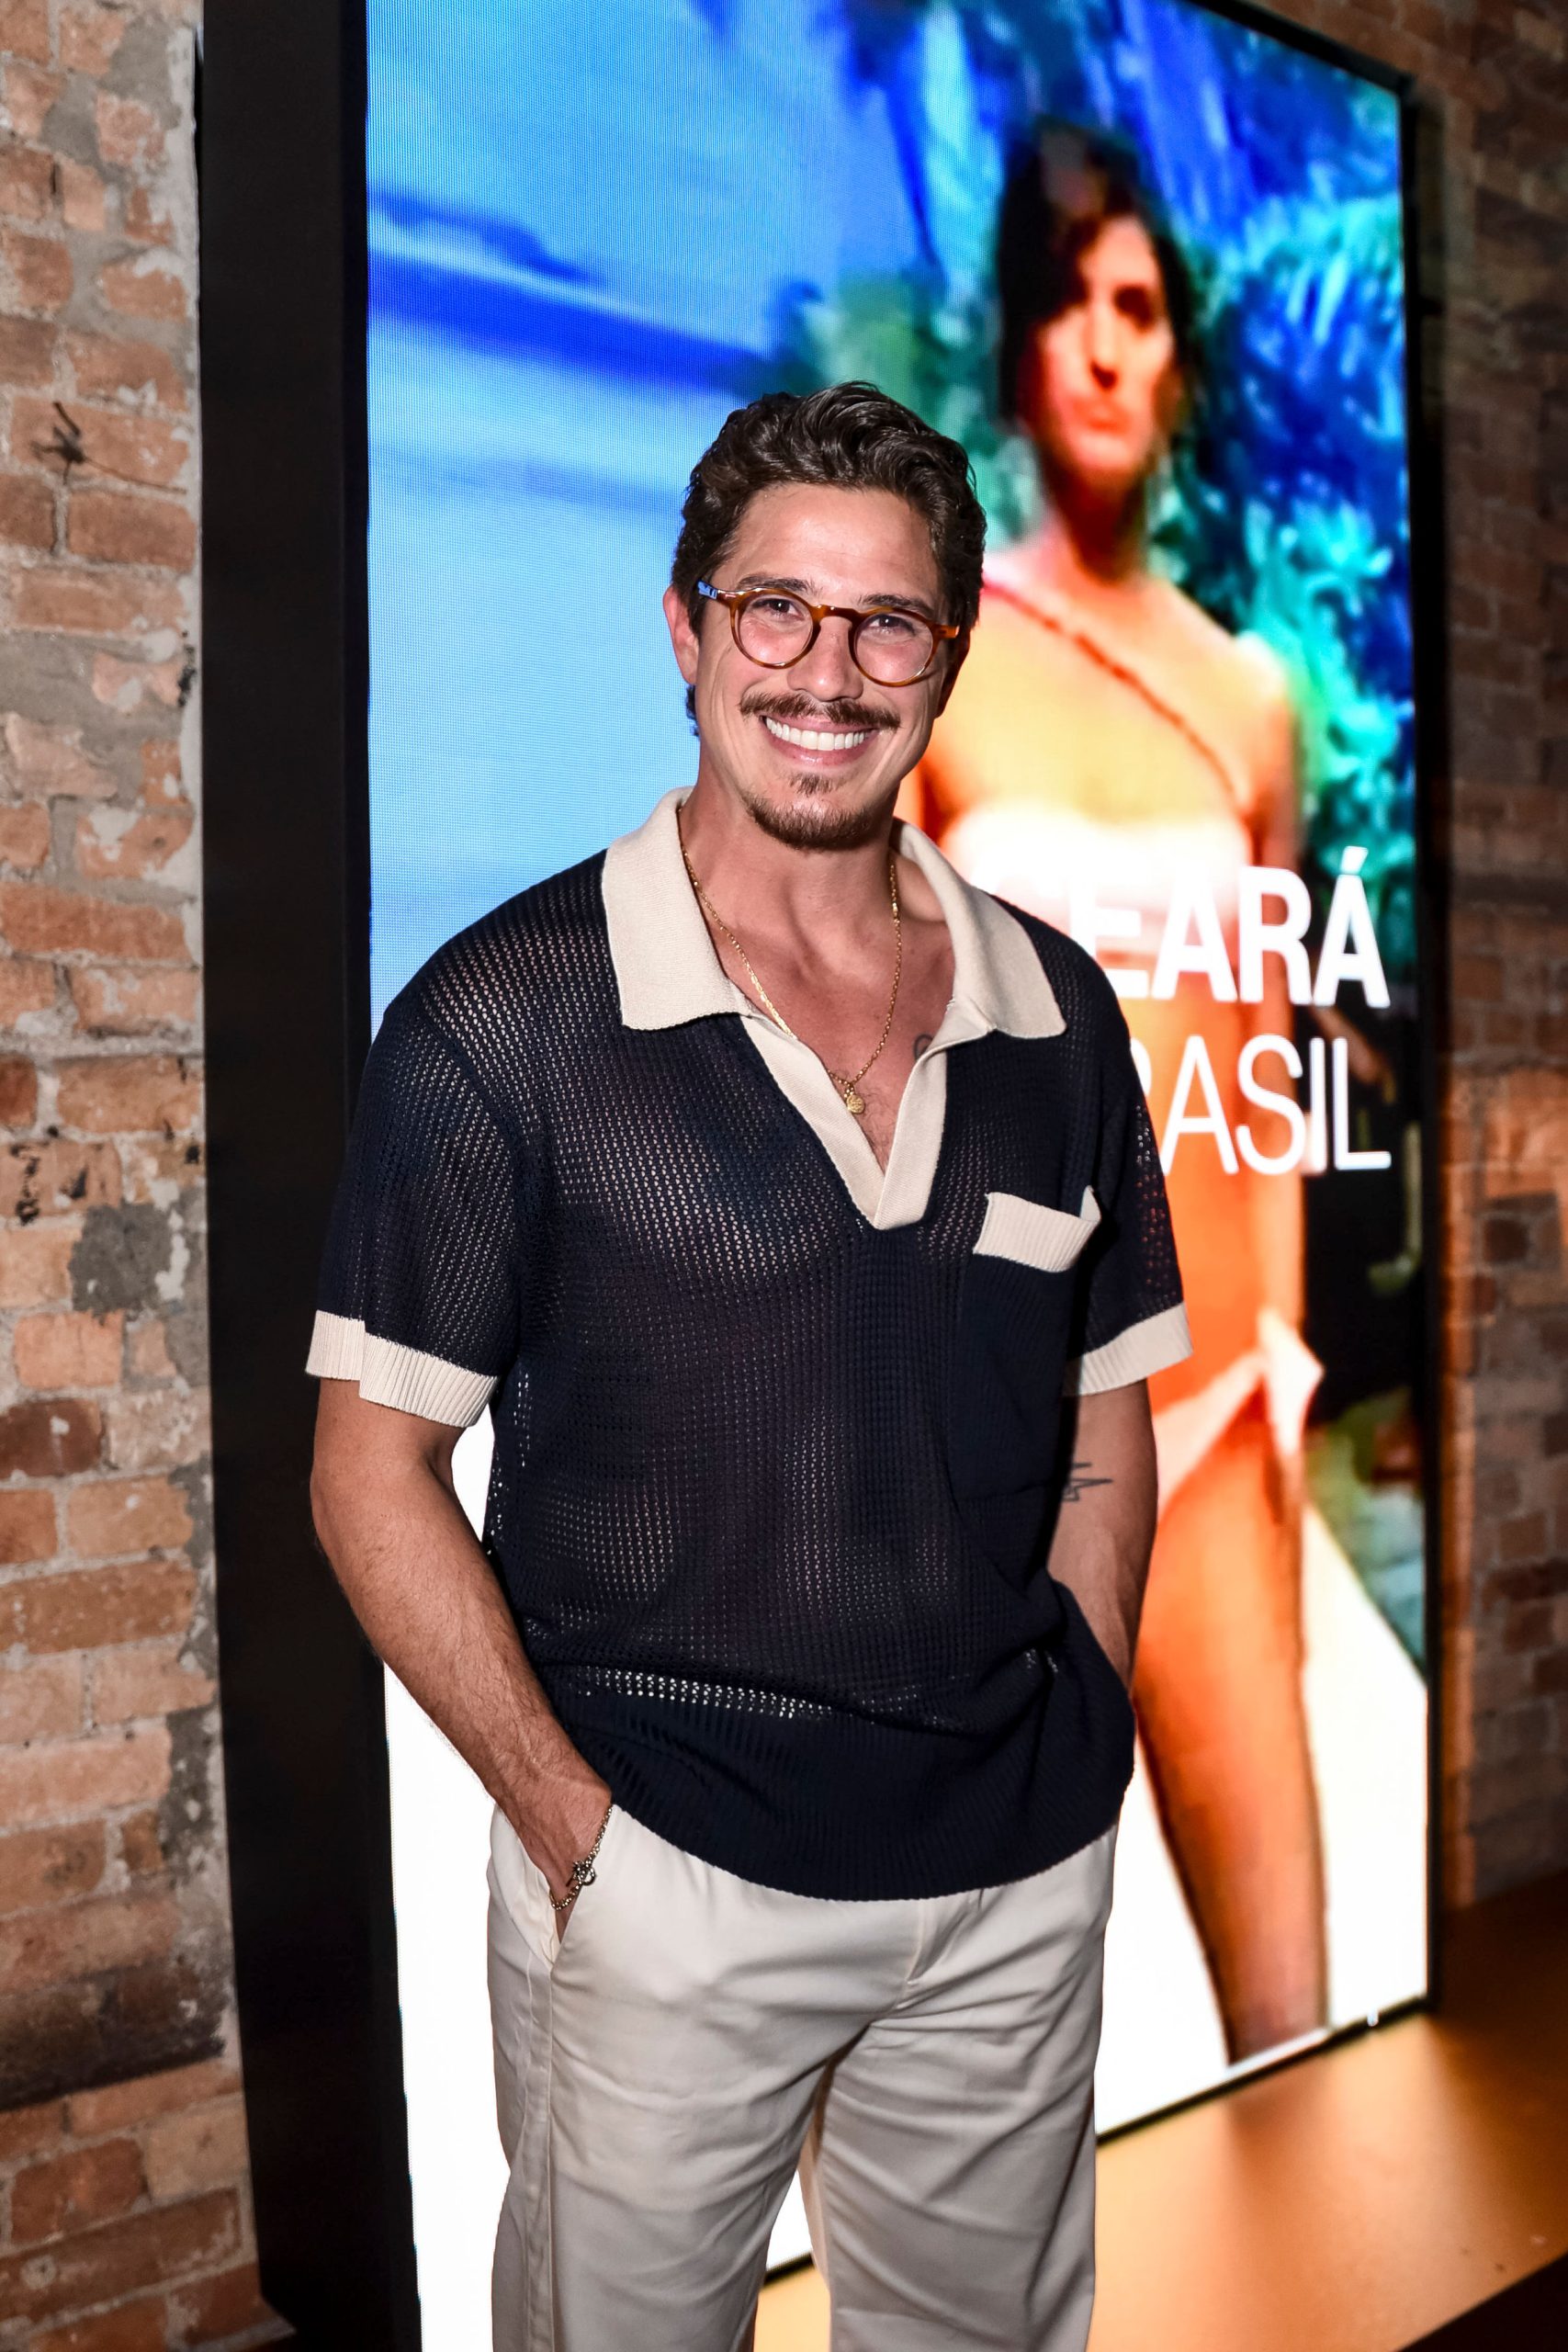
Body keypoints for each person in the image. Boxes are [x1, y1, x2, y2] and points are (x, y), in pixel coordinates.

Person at [308, 381, 1190, 2351]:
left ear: (948, 656)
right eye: (774, 607)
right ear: (685, 628)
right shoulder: (502, 1017)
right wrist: (581, 1839)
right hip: (665, 1879)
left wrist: (1084, 1702)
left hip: (1011, 1884)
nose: (825, 671)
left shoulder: (1057, 1014)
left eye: (886, 623)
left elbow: (1105, 1418)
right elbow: (368, 1472)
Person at [912, 125, 1328, 2060]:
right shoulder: (938, 665)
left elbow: (1268, 1068)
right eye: (1067, 301)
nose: (1101, 341)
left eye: (1138, 305)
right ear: (1019, 347)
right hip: (1000, 1450)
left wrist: (1285, 1403)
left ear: (1173, 359)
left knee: (1297, 2035)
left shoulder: (1248, 703)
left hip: (1220, 1426)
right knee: (970, 2078)